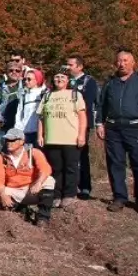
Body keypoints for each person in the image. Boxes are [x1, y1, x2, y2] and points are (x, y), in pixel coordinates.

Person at [97, 49, 138, 214]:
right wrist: (99, 124)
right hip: (113, 129)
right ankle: (119, 198)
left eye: (125, 60)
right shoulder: (110, 83)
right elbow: (101, 105)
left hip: (137, 129)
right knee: (115, 164)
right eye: (119, 61)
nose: (121, 64)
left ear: (133, 63)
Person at [36, 68, 87, 209]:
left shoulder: (75, 95)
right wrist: (40, 135)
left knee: (70, 168)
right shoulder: (47, 96)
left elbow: (82, 117)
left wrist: (81, 135)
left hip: (70, 139)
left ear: (68, 80)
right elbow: (41, 117)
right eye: (57, 77)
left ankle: (69, 195)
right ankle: (56, 195)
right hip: (52, 139)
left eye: (62, 77)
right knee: (55, 169)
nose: (59, 79)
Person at [0, 128, 56, 226]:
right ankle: (19, 209)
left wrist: (38, 183)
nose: (9, 142)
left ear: (22, 141)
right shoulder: (1, 157)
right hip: (14, 191)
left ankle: (43, 217)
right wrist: (3, 195)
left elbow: (45, 169)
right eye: (7, 140)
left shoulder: (34, 153)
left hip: (32, 190)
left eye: (12, 140)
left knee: (49, 180)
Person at [65, 55, 99, 200]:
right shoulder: (65, 80)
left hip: (81, 124)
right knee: (68, 156)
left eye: (70, 65)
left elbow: (88, 103)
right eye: (67, 64)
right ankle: (70, 186)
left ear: (80, 67)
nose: (67, 67)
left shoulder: (88, 81)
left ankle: (85, 187)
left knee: (81, 156)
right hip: (66, 123)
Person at [3, 69, 46, 145]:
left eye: (29, 79)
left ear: (37, 80)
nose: (26, 81)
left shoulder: (44, 94)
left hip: (39, 133)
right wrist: (18, 131)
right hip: (25, 133)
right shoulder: (23, 96)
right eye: (25, 79)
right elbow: (19, 114)